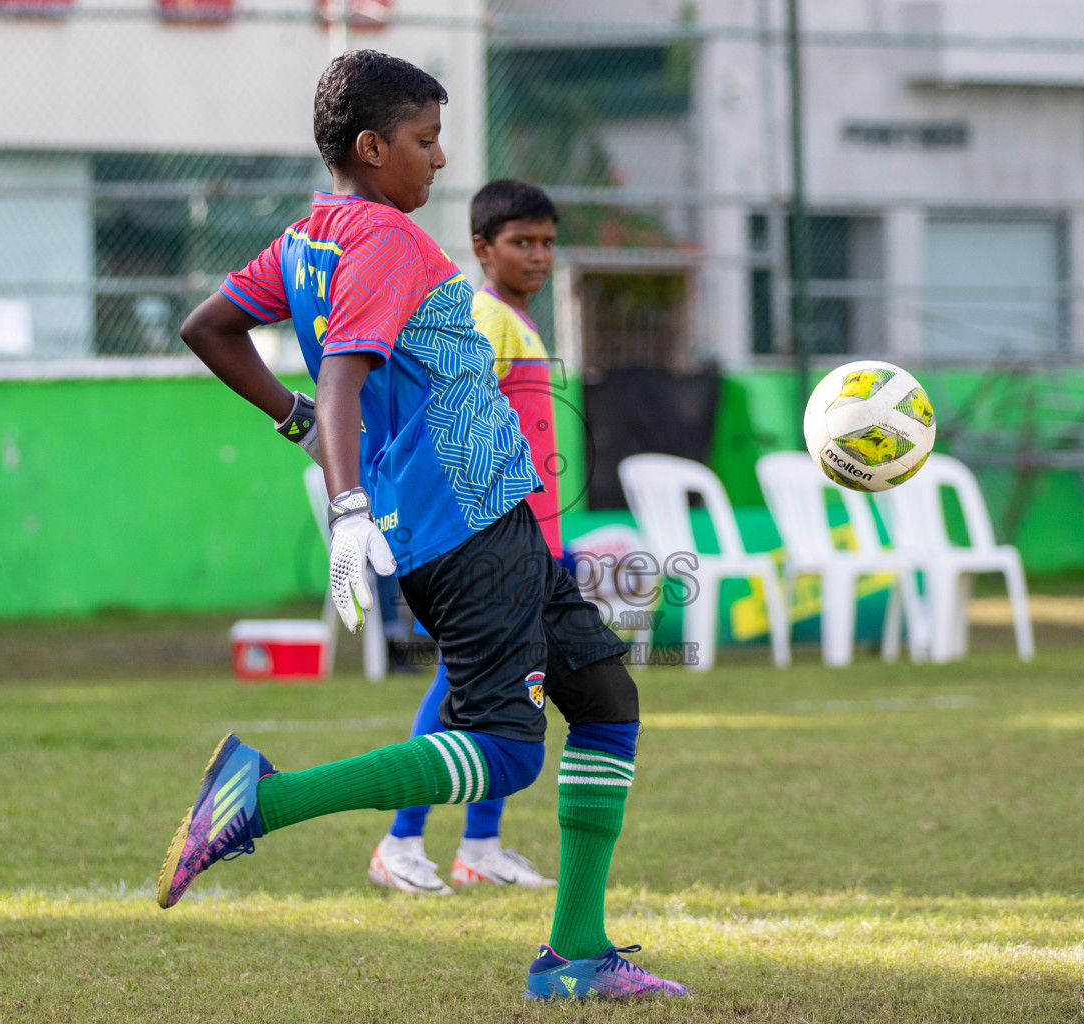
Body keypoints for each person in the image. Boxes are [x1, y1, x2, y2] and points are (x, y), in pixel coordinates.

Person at [159, 50, 688, 1001]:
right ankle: (258, 802)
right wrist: (348, 499)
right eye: (425, 140)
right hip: (463, 526)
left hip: (493, 521)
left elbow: (209, 327)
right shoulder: (384, 242)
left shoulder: (305, 240)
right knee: (505, 753)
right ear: (372, 147)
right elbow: (341, 377)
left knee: (607, 703)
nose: (440, 161)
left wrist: (294, 430)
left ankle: (572, 957)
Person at [368, 179, 564, 895]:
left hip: (533, 538)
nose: (538, 256)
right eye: (521, 243)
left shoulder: (518, 320)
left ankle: (480, 844)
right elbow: (447, 428)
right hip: (486, 540)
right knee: (463, 687)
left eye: (546, 242)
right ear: (483, 248)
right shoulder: (482, 318)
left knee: (514, 691)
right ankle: (401, 839)